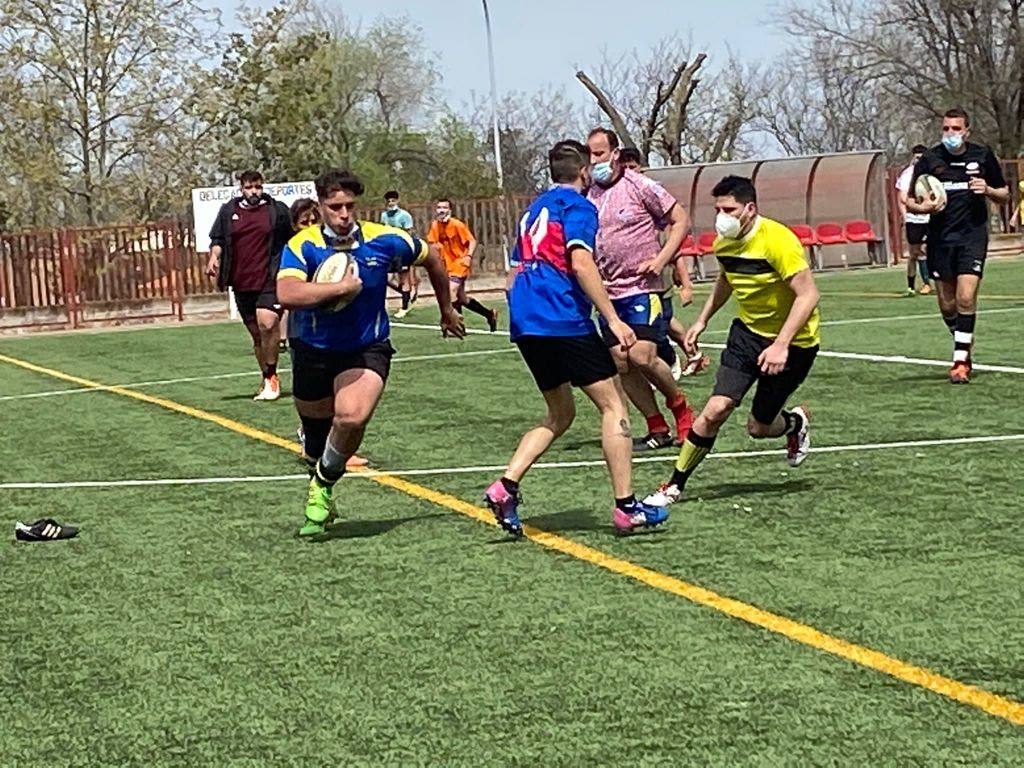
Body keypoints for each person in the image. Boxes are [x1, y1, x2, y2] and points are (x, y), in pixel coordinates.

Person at [484, 140, 668, 536]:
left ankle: (505, 486)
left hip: (528, 319)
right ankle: (626, 507)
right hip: (561, 316)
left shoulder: (534, 209)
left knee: (560, 414)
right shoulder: (579, 207)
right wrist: (613, 319)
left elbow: (513, 273)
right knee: (613, 405)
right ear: (584, 172)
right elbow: (581, 262)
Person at [277, 169, 465, 536]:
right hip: (312, 351)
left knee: (350, 417)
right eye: (335, 207)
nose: (343, 214)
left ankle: (323, 487)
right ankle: (321, 472)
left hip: (366, 347)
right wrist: (339, 289)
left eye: (349, 206)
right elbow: (287, 295)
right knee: (316, 442)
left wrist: (446, 308)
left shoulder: (385, 240)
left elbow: (434, 259)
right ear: (321, 206)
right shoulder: (303, 245)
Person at [644, 176, 819, 507]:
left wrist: (781, 344)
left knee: (759, 427)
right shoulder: (724, 243)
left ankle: (794, 424)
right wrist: (701, 320)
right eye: (717, 209)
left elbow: (808, 295)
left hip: (794, 344)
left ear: (750, 209)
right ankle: (674, 485)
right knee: (716, 409)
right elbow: (727, 279)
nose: (721, 216)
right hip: (747, 336)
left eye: (729, 209)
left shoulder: (778, 241)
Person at [586, 127, 694, 451]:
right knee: (620, 360)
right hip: (608, 293)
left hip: (642, 289)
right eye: (590, 154)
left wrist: (662, 260)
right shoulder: (588, 194)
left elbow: (681, 220)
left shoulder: (640, 185)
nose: (594, 161)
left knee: (641, 354)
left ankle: (682, 409)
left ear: (615, 154)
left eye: (600, 153)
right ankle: (656, 426)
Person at [907, 107, 1009, 384]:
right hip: (940, 239)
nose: (950, 133)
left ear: (967, 131)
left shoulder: (982, 156)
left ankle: (960, 361)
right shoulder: (930, 159)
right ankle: (963, 338)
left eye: (956, 128)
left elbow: (1004, 193)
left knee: (966, 297)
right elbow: (908, 199)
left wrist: (987, 190)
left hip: (972, 236)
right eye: (946, 129)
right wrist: (923, 206)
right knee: (948, 305)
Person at [206, 170, 292, 401]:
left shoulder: (277, 210)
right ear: (241, 188)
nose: (253, 192)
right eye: (248, 187)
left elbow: (292, 238)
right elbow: (218, 240)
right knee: (257, 336)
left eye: (257, 187)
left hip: (269, 277)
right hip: (241, 280)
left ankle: (272, 376)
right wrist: (214, 257)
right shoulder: (228, 211)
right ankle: (267, 377)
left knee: (267, 323)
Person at [427, 199, 499, 331]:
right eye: (439, 208)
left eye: (444, 208)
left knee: (450, 292)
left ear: (450, 210)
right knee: (462, 298)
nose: (441, 210)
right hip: (446, 265)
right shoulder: (435, 226)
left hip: (459, 263)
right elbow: (432, 243)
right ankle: (489, 314)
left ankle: (457, 326)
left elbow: (471, 241)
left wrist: (468, 257)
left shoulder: (457, 225)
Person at [896, 144, 933, 297]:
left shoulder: (931, 174)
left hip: (929, 218)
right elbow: (902, 198)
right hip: (914, 219)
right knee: (914, 253)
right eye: (917, 157)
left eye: (922, 158)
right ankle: (912, 285)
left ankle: (928, 283)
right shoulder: (908, 174)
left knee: (926, 250)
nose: (919, 160)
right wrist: (906, 217)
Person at [380, 190, 418, 318]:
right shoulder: (384, 216)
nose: (391, 203)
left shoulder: (404, 215)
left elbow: (409, 232)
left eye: (393, 200)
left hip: (402, 250)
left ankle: (404, 306)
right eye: (388, 201)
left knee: (404, 278)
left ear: (397, 201)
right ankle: (405, 294)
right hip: (389, 250)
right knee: (386, 278)